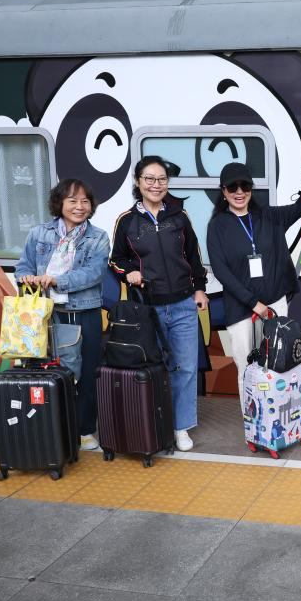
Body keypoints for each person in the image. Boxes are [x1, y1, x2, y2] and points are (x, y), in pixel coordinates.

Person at [206, 155, 301, 409]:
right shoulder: (217, 227)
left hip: (274, 303)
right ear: (223, 191)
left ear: (251, 189)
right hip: (241, 308)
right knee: (246, 367)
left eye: (245, 186)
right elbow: (221, 272)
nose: (239, 192)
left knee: (278, 361)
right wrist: (253, 303)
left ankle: (276, 416)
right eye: (232, 187)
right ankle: (253, 421)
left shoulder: (269, 216)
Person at [109, 155, 208, 452]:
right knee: (153, 367)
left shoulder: (179, 216)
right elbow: (116, 259)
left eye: (162, 179)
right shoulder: (127, 221)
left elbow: (194, 256)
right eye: (150, 179)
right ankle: (155, 424)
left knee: (186, 368)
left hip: (183, 304)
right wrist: (129, 272)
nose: (156, 184)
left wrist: (200, 290)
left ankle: (180, 427)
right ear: (138, 182)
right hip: (147, 309)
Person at [15, 178, 110, 451]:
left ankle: (85, 430)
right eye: (72, 200)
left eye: (85, 201)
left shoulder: (98, 237)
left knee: (87, 373)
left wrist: (57, 281)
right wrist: (27, 278)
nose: (80, 207)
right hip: (44, 313)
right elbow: (23, 267)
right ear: (59, 203)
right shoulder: (39, 233)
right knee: (44, 371)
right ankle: (49, 426)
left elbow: (94, 273)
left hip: (84, 312)